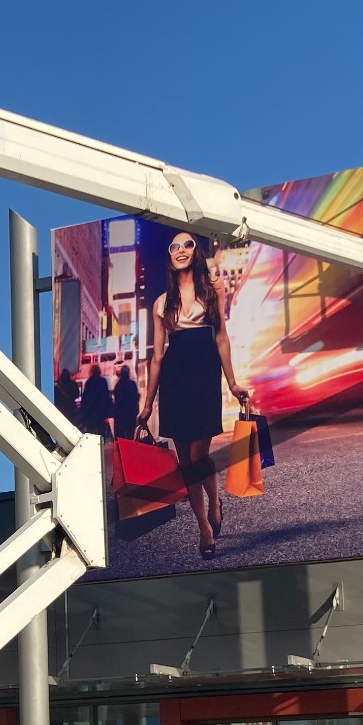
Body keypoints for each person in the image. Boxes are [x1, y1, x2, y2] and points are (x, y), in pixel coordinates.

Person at [139, 231, 247, 559]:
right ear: (170, 257)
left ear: (195, 252)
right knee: (186, 459)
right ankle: (204, 524)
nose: (181, 250)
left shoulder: (213, 288)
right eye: (174, 246)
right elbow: (157, 357)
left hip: (204, 370)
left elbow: (222, 338)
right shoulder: (161, 303)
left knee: (199, 452)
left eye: (187, 244)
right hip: (175, 377)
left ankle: (213, 505)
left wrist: (232, 382)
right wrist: (147, 404)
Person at [77, 362, 115, 442]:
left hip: (91, 414)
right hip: (101, 413)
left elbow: (86, 399)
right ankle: (101, 446)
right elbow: (106, 397)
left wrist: (83, 414)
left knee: (91, 434)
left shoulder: (89, 382)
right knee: (101, 432)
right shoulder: (103, 381)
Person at [113, 363, 141, 442]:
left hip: (120, 415)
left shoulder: (118, 385)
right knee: (130, 436)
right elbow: (136, 398)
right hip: (130, 414)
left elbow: (116, 399)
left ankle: (121, 453)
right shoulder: (132, 384)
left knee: (120, 438)